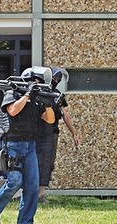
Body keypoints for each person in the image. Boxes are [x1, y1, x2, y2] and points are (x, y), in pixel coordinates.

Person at [0, 70, 55, 224]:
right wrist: (27, 96)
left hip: (30, 145)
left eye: (39, 81)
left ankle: (25, 223)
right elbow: (12, 111)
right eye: (35, 81)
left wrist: (47, 104)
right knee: (15, 181)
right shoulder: (13, 92)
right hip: (12, 145)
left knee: (32, 185)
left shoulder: (37, 98)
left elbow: (50, 120)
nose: (38, 84)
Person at [36, 67, 80, 203]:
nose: (55, 81)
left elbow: (65, 114)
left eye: (58, 80)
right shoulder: (37, 91)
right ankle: (31, 192)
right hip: (36, 133)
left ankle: (41, 194)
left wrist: (74, 133)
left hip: (51, 133)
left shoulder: (57, 94)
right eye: (54, 78)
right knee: (35, 162)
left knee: (48, 163)